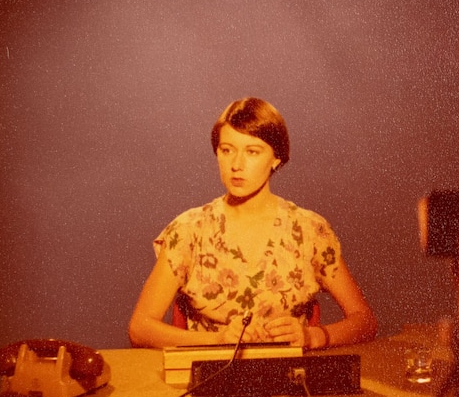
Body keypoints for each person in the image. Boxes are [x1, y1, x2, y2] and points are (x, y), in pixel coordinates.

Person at [129, 97, 377, 350]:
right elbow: (140, 328)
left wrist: (313, 336)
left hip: (290, 377)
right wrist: (216, 340)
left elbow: (365, 321)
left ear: (276, 158)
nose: (236, 165)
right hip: (212, 378)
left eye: (252, 152)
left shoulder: (309, 230)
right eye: (227, 150)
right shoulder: (189, 230)